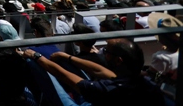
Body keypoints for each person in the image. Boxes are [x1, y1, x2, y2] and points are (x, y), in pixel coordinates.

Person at [23, 38, 162, 105]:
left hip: (97, 98)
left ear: (119, 60)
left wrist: (37, 56)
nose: (103, 54)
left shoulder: (108, 89)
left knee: (44, 70)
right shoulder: (144, 82)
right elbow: (100, 71)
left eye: (107, 52)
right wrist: (68, 57)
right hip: (99, 99)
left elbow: (65, 76)